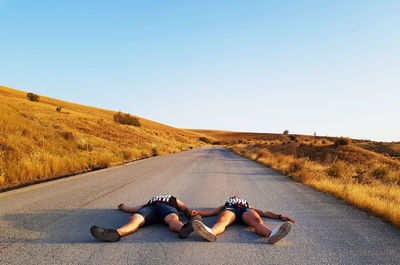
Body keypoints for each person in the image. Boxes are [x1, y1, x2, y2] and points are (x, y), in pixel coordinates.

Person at [90, 194, 200, 242]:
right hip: (150, 208)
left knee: (172, 219)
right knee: (135, 218)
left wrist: (190, 213)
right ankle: (115, 234)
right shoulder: (151, 201)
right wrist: (124, 207)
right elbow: (136, 208)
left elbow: (183, 207)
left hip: (167, 208)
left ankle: (183, 229)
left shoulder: (173, 199)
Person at [189, 196, 296, 244]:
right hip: (231, 210)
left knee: (257, 222)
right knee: (222, 221)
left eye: (236, 196)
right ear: (231, 199)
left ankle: (272, 234)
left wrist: (280, 216)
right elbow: (212, 212)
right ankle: (210, 232)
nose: (235, 197)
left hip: (245, 211)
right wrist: (198, 212)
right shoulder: (226, 204)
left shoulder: (247, 204)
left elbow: (263, 212)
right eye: (233, 197)